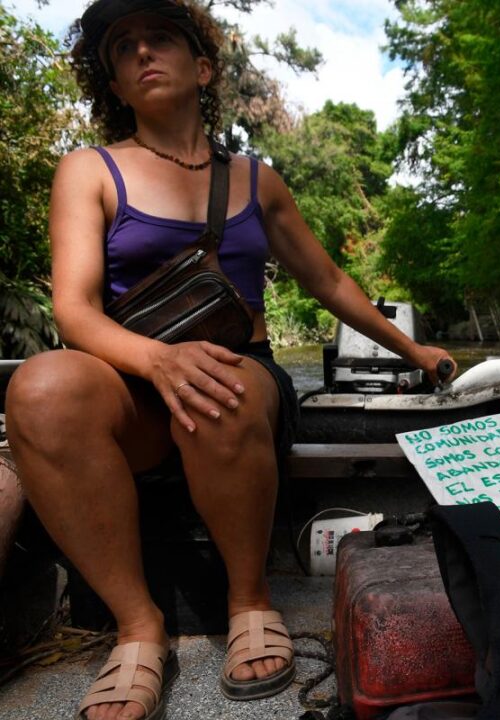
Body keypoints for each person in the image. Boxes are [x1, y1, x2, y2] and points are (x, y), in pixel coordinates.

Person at [4, 0, 456, 718]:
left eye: (160, 39)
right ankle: (138, 626)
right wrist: (156, 362)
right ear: (115, 86)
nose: (142, 52)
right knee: (39, 387)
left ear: (203, 67)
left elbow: (328, 280)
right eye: (123, 49)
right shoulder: (87, 171)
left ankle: (250, 600)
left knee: (222, 381)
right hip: (132, 382)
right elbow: (75, 311)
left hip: (240, 376)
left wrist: (412, 348)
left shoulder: (256, 179)